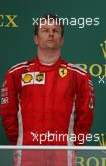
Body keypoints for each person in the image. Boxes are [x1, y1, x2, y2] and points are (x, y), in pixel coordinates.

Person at [0, 13, 95, 166]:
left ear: (62, 40)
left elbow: (85, 118)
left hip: (63, 158)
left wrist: (69, 147)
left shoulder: (78, 76)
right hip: (27, 157)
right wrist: (21, 144)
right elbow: (8, 114)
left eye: (55, 31)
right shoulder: (16, 73)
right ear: (36, 39)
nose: (51, 34)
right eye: (45, 30)